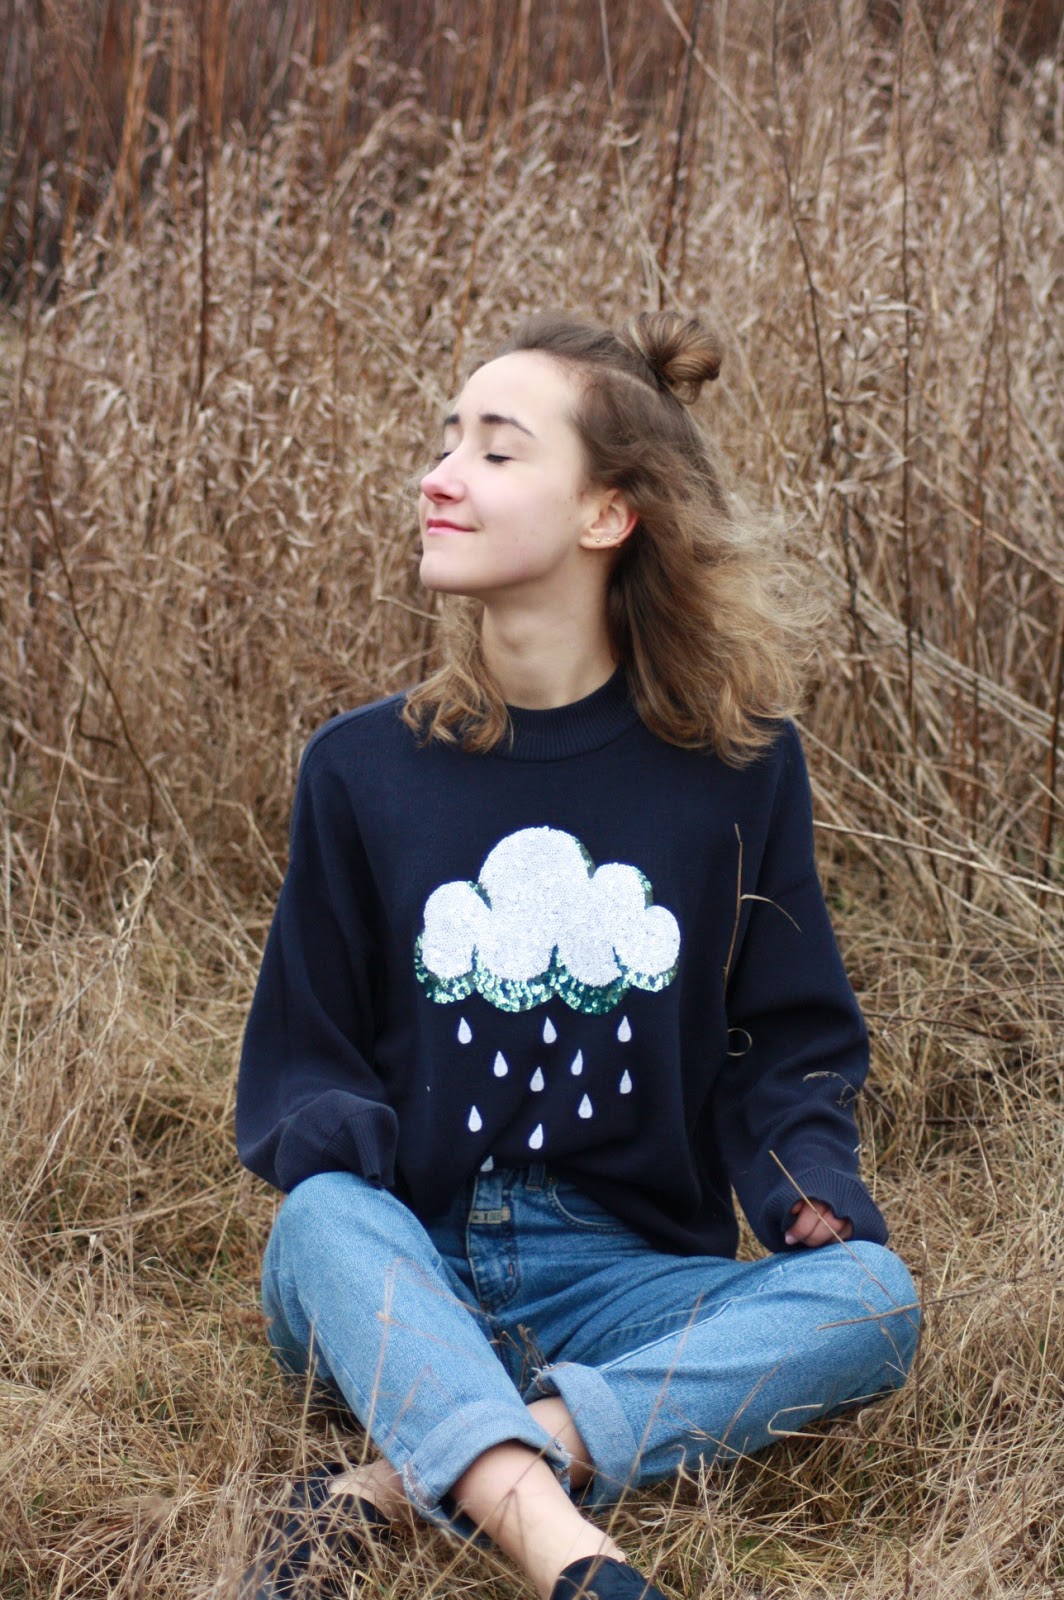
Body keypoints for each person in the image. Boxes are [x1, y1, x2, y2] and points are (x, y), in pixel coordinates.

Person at [236, 310, 919, 1600]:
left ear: (610, 513)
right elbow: (304, 1053)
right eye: (447, 441)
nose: (440, 476)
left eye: (496, 452)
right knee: (321, 1217)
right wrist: (365, 1184)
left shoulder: (737, 769)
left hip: (627, 1280)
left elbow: (786, 1035)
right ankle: (572, 1559)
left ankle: (410, 1478)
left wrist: (803, 1183)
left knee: (874, 1300)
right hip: (405, 1261)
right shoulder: (360, 768)